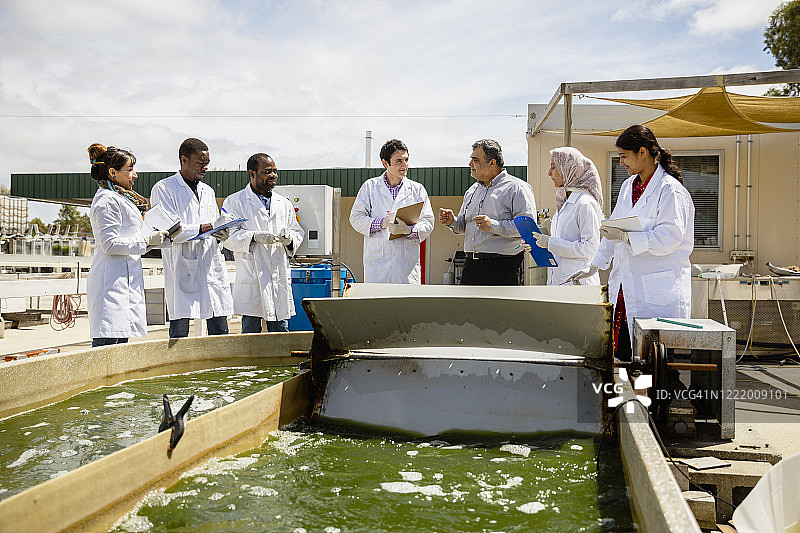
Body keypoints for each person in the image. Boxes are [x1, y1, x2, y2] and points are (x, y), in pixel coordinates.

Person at [568, 125, 695, 359]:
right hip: (627, 289)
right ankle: (633, 384)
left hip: (657, 291)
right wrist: (594, 265)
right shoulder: (629, 186)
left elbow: (670, 238)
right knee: (628, 358)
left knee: (656, 362)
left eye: (624, 156)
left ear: (642, 152)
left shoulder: (670, 190)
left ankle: (658, 385)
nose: (621, 163)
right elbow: (614, 228)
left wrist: (629, 237)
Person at [150, 138, 233, 338]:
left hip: (210, 265)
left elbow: (214, 224)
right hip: (183, 267)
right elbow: (170, 230)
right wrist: (207, 227)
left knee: (220, 330)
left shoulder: (208, 191)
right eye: (200, 163)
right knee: (180, 332)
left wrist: (221, 233)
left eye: (207, 163)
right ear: (184, 160)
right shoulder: (164, 188)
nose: (205, 168)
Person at [86, 143, 168, 347]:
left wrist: (153, 241)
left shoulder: (121, 198)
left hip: (124, 283)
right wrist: (146, 241)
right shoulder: (106, 201)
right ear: (113, 172)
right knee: (106, 349)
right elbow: (109, 244)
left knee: (121, 348)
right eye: (130, 170)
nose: (135, 175)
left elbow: (129, 240)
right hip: (110, 285)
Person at [222, 153, 304, 332]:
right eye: (267, 171)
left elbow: (297, 231)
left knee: (281, 333)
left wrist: (290, 239)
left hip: (278, 275)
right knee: (251, 335)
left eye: (275, 171)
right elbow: (227, 237)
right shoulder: (235, 201)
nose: (273, 175)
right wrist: (254, 237)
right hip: (252, 276)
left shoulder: (284, 203)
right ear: (252, 173)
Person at [438, 139, 536, 285]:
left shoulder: (517, 188)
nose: (470, 164)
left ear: (492, 163)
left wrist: (492, 225)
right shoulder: (471, 191)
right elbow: (463, 226)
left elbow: (528, 228)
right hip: (470, 265)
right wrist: (452, 221)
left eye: (475, 160)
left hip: (503, 266)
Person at [349, 139, 434, 283]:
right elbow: (356, 218)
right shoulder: (370, 187)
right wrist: (381, 223)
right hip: (378, 267)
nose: (404, 165)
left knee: (405, 297)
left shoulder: (417, 190)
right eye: (399, 161)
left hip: (406, 268)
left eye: (406, 160)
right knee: (378, 297)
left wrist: (409, 230)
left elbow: (428, 221)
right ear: (385, 163)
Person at [536, 147, 603, 286]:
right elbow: (560, 243)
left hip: (579, 283)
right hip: (558, 283)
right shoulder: (563, 202)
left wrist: (550, 243)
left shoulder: (585, 203)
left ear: (568, 169)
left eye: (553, 167)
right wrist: (538, 246)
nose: (549, 173)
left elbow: (590, 247)